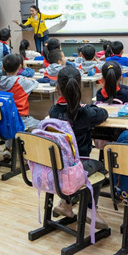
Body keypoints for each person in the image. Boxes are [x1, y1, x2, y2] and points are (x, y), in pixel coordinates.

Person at [49, 66, 109, 229]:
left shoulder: (53, 112)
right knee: (100, 167)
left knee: (74, 167)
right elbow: (103, 114)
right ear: (80, 86)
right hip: (77, 167)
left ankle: (66, 203)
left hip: (56, 167)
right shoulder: (86, 113)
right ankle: (90, 208)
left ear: (57, 88)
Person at [0, 53, 40, 131]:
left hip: (6, 119)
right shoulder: (21, 82)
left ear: (2, 67)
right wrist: (28, 79)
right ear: (20, 67)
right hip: (21, 119)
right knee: (43, 124)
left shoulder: (1, 81)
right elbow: (35, 83)